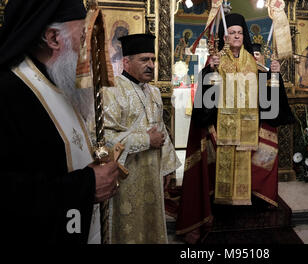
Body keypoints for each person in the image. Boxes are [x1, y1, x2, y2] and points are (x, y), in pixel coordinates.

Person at [0, 0, 120, 244]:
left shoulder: (56, 82)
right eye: (86, 35)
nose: (97, 49)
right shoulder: (8, 93)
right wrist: (86, 186)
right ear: (53, 38)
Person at [176, 13, 294, 243]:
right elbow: (205, 100)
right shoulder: (216, 60)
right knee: (217, 153)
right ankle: (218, 201)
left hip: (250, 126)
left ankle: (253, 199)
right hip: (222, 125)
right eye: (231, 33)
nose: (236, 36)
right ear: (225, 36)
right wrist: (210, 72)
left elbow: (268, 101)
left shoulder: (254, 62)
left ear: (244, 36)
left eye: (239, 33)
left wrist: (275, 75)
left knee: (260, 149)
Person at [101, 33, 181, 243]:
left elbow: (161, 130)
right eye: (144, 59)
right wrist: (145, 141)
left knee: (151, 226)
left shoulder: (154, 92)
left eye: (153, 59)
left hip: (152, 175)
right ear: (126, 62)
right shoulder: (111, 91)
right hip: (125, 179)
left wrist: (166, 169)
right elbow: (103, 139)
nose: (151, 65)